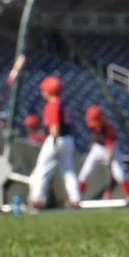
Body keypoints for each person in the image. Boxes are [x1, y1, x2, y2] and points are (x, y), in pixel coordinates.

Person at [28, 75, 80, 210]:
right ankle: (75, 199)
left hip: (56, 139)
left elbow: (54, 128)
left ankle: (37, 200)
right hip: (68, 139)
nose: (42, 92)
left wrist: (55, 145)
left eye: (44, 90)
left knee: (42, 170)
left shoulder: (52, 104)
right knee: (68, 171)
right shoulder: (63, 103)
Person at [79, 105, 129, 203]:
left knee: (119, 173)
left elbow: (111, 148)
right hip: (97, 148)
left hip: (111, 149)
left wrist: (109, 161)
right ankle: (77, 197)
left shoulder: (108, 129)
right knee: (85, 173)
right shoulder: (92, 125)